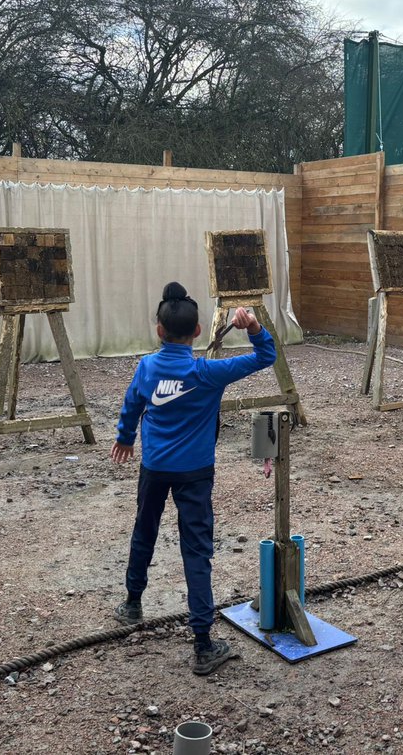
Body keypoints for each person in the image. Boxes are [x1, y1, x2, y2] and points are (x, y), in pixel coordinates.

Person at [110, 281, 276, 675]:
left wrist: (125, 438)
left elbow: (132, 404)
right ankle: (202, 644)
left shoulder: (147, 367)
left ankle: (132, 603)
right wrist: (253, 326)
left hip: (154, 469)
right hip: (195, 474)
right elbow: (265, 356)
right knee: (196, 552)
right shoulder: (209, 372)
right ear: (198, 331)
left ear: (159, 330)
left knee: (144, 532)